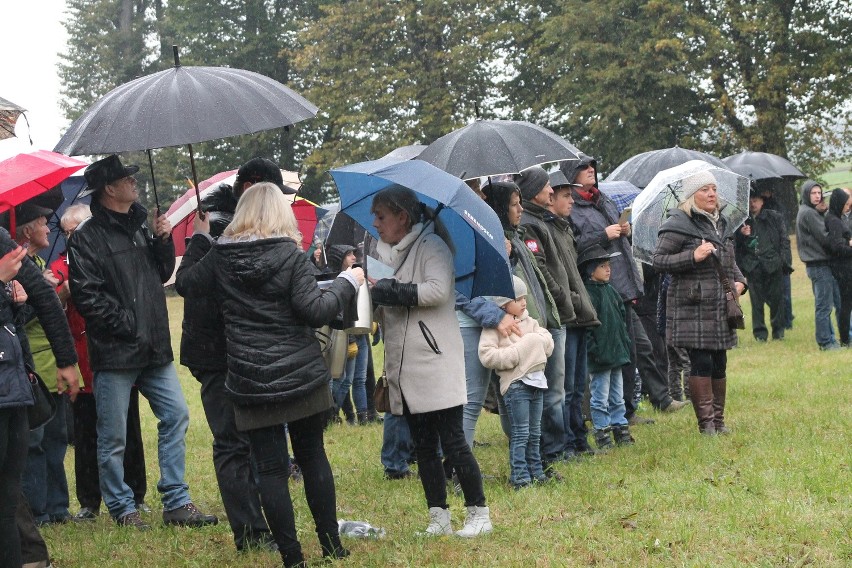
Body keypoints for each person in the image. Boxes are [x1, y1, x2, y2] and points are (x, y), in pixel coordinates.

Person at [177, 183, 362, 567]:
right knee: (312, 458)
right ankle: (332, 546)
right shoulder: (291, 257)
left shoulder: (220, 258)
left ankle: (292, 558)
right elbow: (315, 310)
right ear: (281, 214)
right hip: (301, 376)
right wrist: (347, 283)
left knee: (271, 469)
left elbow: (186, 285)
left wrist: (199, 239)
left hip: (249, 379)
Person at [68, 154, 217, 530]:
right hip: (117, 352)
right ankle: (122, 507)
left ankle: (176, 501)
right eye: (126, 179)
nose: (135, 184)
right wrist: (129, 326)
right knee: (114, 435)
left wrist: (163, 240)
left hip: (153, 348)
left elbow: (162, 273)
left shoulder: (140, 227)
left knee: (176, 415)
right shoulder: (86, 238)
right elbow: (88, 297)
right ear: (110, 189)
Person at [178, 157, 291, 550]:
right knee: (232, 441)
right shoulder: (223, 230)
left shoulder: (232, 227)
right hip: (218, 353)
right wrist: (202, 239)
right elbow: (187, 285)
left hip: (241, 351)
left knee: (256, 440)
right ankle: (250, 532)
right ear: (252, 188)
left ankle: (266, 520)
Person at [370, 185, 492, 537]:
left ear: (402, 217)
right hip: (409, 365)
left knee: (453, 441)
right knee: (422, 445)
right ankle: (439, 516)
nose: (375, 223)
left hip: (435, 361)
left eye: (381, 216)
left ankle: (479, 514)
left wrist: (397, 292)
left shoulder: (432, 246)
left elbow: (439, 290)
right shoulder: (397, 253)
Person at [563, 155, 680, 422]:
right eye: (583, 167)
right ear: (571, 174)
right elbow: (574, 246)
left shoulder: (602, 198)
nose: (591, 169)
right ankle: (618, 412)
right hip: (601, 289)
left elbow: (615, 233)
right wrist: (604, 235)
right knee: (616, 352)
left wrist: (624, 229)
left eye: (592, 165)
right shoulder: (572, 208)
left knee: (639, 346)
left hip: (624, 285)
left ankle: (651, 401)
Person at [51, 204, 149, 522]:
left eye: (74, 230)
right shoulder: (60, 267)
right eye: (65, 232)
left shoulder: (110, 256)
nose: (69, 237)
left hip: (118, 358)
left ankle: (136, 494)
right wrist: (63, 293)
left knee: (127, 430)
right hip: (82, 361)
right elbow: (48, 302)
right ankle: (89, 501)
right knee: (86, 433)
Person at [653, 170, 747, 435]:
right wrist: (693, 255)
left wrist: (741, 282)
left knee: (720, 363)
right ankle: (706, 425)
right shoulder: (678, 224)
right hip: (691, 306)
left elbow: (729, 262)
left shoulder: (723, 223)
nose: (711, 194)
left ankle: (719, 421)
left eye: (713, 189)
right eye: (704, 189)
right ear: (691, 195)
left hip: (719, 305)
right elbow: (659, 261)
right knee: (701, 363)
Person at [13, 201, 81, 526]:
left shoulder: (39, 262)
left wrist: (57, 293)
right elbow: (18, 320)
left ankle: (58, 509)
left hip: (53, 364)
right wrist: (32, 298)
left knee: (57, 439)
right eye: (43, 222)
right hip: (34, 367)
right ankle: (38, 513)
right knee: (35, 443)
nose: (48, 228)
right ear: (27, 230)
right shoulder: (15, 268)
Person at [478, 276, 554, 489]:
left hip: (538, 383)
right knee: (520, 433)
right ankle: (520, 477)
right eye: (517, 298)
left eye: (524, 298)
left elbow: (547, 342)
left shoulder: (531, 322)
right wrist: (520, 352)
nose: (523, 303)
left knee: (535, 431)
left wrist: (535, 342)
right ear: (503, 303)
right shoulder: (495, 327)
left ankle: (536, 471)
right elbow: (487, 356)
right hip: (516, 386)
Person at [579, 244, 635, 448]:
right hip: (599, 358)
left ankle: (621, 428)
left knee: (617, 396)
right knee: (600, 397)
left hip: (617, 355)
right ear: (591, 270)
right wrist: (594, 351)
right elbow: (587, 329)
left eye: (609, 265)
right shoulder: (589, 295)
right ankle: (602, 432)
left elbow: (621, 320)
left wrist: (624, 344)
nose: (608, 269)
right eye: (602, 266)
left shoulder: (612, 291)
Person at [735, 189, 793, 341]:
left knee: (777, 300)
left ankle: (778, 332)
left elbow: (784, 240)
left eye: (756, 200)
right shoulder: (741, 221)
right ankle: (760, 333)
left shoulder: (774, 217)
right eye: (750, 200)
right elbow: (737, 247)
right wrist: (743, 236)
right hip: (753, 266)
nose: (753, 203)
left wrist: (783, 262)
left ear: (762, 201)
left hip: (773, 264)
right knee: (756, 302)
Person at [796, 180, 841, 350]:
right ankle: (825, 342)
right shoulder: (808, 213)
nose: (817, 196)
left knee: (825, 304)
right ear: (806, 194)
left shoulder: (807, 211)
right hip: (819, 265)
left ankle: (830, 340)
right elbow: (825, 237)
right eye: (813, 193)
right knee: (824, 306)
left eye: (818, 193)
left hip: (818, 265)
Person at [824, 188, 852, 346]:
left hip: (844, 267)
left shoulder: (834, 218)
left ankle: (846, 338)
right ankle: (845, 339)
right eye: (845, 204)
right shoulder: (834, 221)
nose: (847, 207)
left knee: (846, 304)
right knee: (846, 305)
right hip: (844, 269)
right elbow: (837, 247)